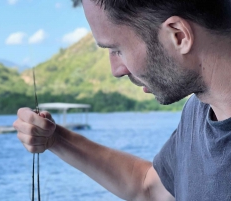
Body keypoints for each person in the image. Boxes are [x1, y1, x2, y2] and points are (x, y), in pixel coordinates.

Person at [13, 0, 231, 200]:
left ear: (179, 36)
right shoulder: (199, 111)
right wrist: (55, 139)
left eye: (117, 49)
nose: (116, 70)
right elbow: (148, 186)